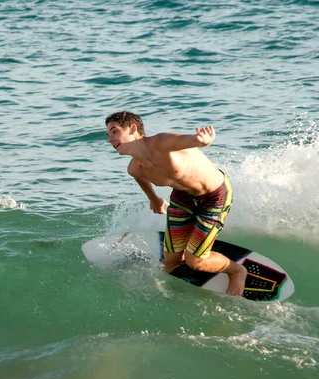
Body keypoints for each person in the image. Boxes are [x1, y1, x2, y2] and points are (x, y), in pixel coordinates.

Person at [105, 110, 247, 296]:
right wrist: (154, 199)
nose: (110, 139)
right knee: (170, 263)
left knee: (195, 262)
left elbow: (189, 141)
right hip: (183, 198)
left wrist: (202, 140)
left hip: (214, 197)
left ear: (132, 129)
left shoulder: (162, 142)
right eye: (108, 135)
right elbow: (140, 178)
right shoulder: (135, 168)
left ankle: (236, 271)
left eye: (114, 131)